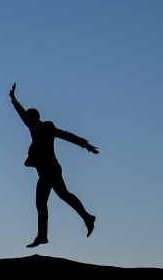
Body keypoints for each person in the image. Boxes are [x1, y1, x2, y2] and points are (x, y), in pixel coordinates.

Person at [9, 84, 98, 247]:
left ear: (34, 118)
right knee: (52, 199)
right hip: (44, 172)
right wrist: (13, 99)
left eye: (27, 118)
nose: (25, 121)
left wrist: (85, 144)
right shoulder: (32, 127)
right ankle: (84, 219)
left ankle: (48, 233)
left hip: (52, 170)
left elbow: (66, 135)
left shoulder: (47, 127)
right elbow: (22, 113)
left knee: (57, 197)